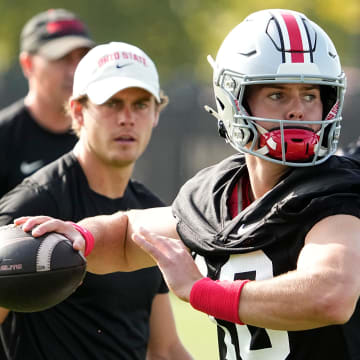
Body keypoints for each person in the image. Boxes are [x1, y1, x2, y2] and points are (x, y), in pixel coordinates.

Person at [15, 9, 360, 360]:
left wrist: (201, 290)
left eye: (310, 95)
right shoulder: (216, 194)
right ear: (234, 100)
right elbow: (126, 235)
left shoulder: (335, 192)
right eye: (277, 95)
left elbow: (329, 296)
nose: (297, 111)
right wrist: (81, 235)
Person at [0, 42, 192, 360]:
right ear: (78, 110)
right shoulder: (32, 208)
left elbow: (165, 348)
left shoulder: (149, 210)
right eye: (112, 103)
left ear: (157, 113)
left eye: (141, 104)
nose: (127, 118)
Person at [0, 8, 95, 198]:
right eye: (62, 58)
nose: (75, 71)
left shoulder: (100, 134)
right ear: (28, 64)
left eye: (82, 58)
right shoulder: (5, 136)